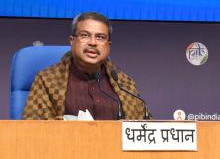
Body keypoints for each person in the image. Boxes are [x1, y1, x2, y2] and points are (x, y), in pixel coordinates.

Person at [23, 12, 152, 120]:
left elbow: (144, 126)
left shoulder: (124, 84)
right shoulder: (47, 80)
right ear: (72, 41)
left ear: (108, 46)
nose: (92, 42)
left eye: (100, 37)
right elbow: (33, 128)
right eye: (85, 35)